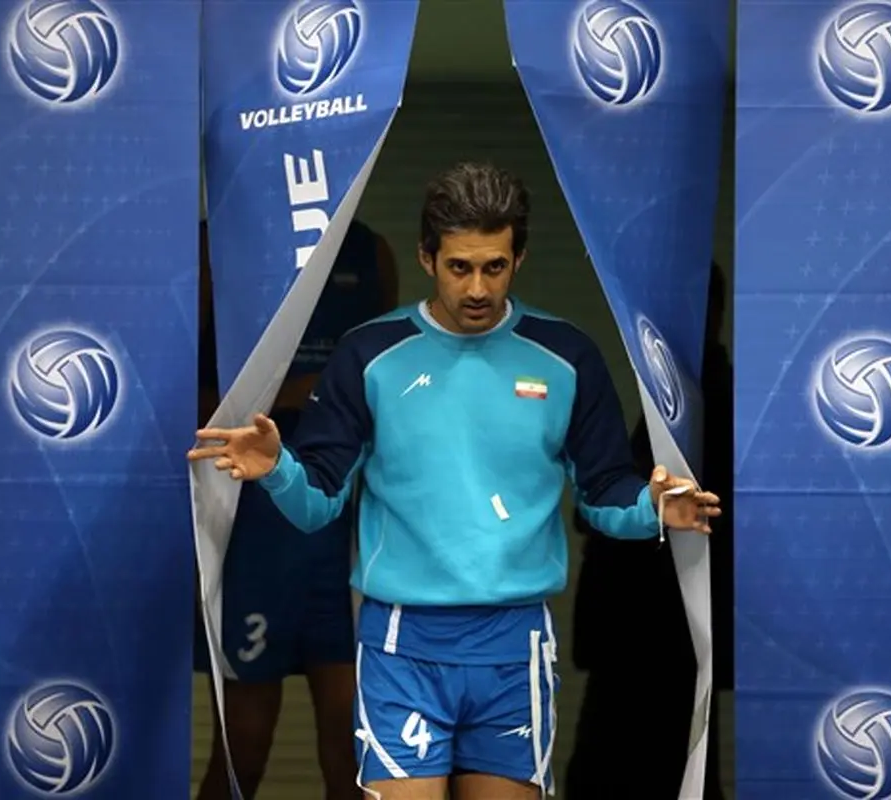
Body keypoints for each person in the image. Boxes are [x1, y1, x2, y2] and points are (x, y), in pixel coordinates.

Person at [188, 162, 721, 800]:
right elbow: (317, 502)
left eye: (494, 267)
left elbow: (606, 493)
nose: (476, 288)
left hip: (514, 644)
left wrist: (654, 508)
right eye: (459, 267)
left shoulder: (567, 356)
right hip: (402, 643)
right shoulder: (369, 353)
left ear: (518, 259)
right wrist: (278, 470)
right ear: (426, 258)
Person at [194, 217, 400, 800]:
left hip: (341, 537)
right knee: (245, 743)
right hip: (251, 536)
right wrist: (307, 388)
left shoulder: (370, 251)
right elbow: (184, 402)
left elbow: (386, 383)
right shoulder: (220, 241)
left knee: (352, 745)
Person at [565, 261, 733, 799]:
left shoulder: (707, 395)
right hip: (643, 634)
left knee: (648, 772)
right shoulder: (672, 390)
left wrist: (612, 505)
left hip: (660, 634)